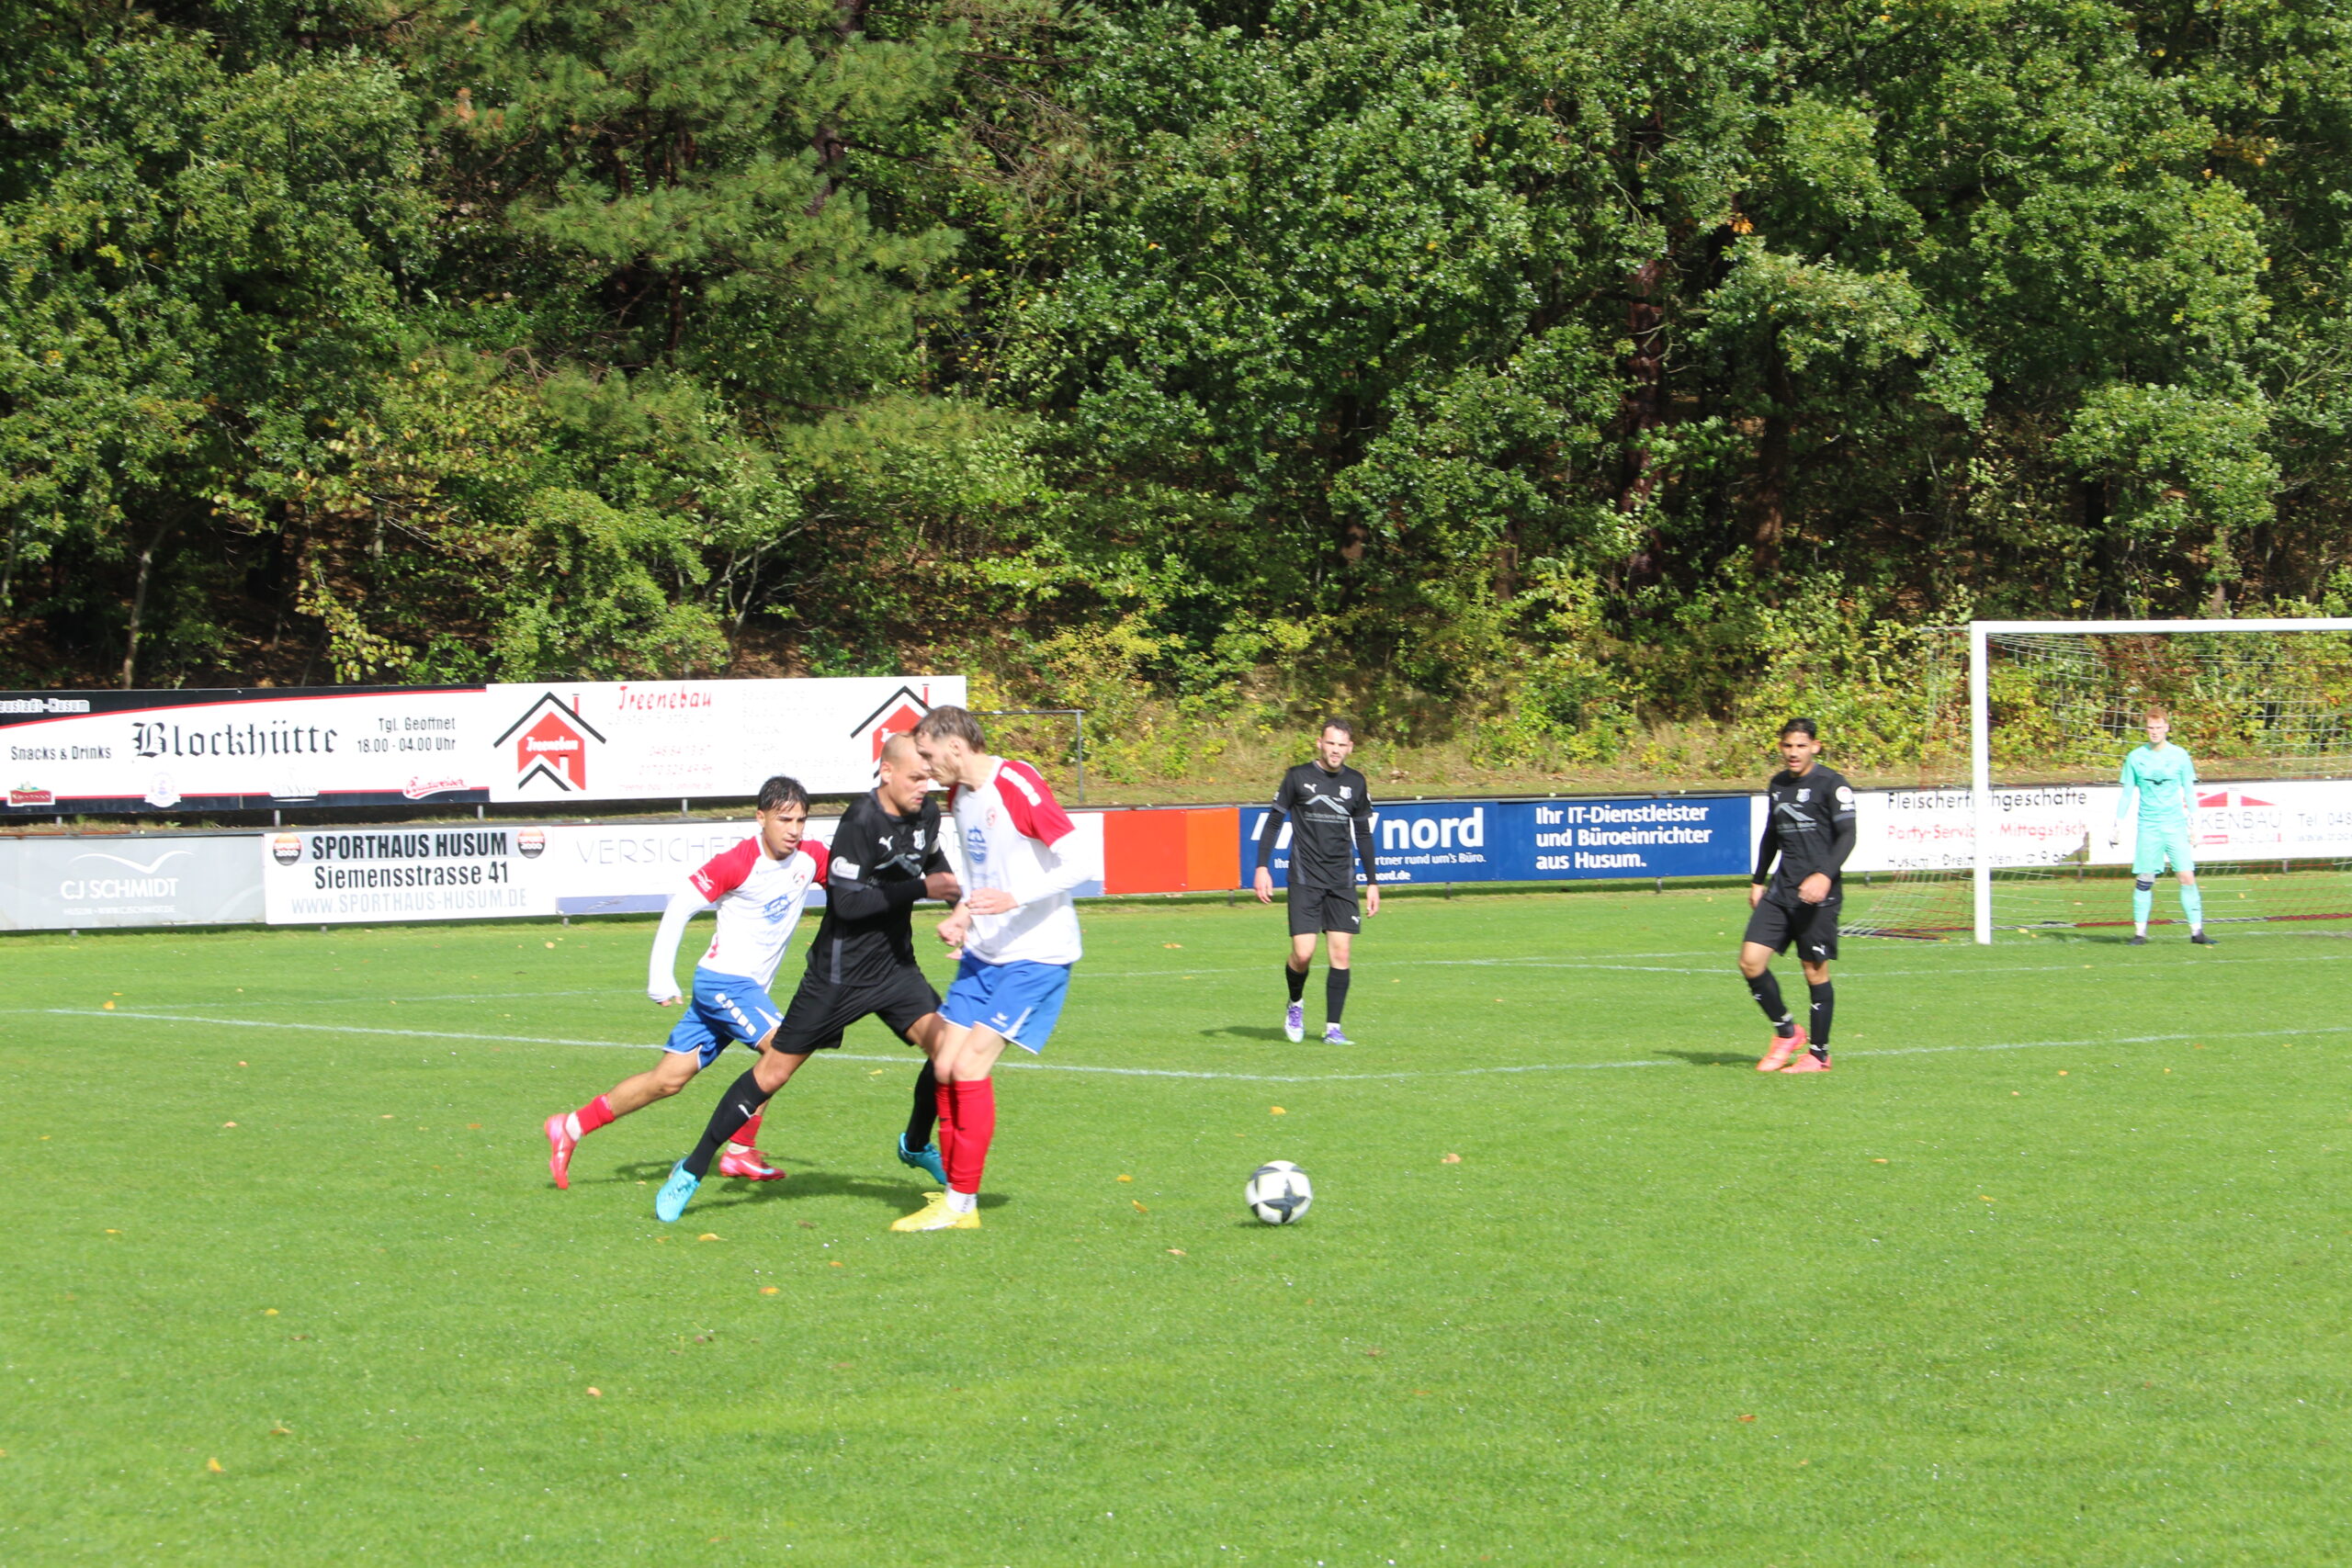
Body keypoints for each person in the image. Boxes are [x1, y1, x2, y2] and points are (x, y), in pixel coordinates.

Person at [651, 735, 963, 1223]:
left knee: (950, 1053)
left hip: (894, 968)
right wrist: (922, 888)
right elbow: (849, 904)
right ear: (886, 773)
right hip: (836, 975)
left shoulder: (925, 814)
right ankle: (691, 1169)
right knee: (773, 1072)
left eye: (928, 778)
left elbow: (934, 863)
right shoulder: (859, 821)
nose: (925, 787)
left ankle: (916, 1144)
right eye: (915, 778)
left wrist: (960, 909)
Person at [544, 775, 822, 1189]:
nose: (794, 830)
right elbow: (679, 908)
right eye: (784, 820)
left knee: (666, 1081)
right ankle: (740, 1150)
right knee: (784, 1049)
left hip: (738, 990)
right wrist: (660, 976)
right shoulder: (736, 862)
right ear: (760, 817)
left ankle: (570, 1126)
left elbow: (853, 876)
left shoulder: (810, 857)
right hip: (724, 983)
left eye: (800, 820)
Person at [891, 705, 1100, 1233]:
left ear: (955, 746)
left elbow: (1081, 861)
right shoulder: (959, 796)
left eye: (929, 755)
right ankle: (956, 1195)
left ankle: (961, 1203)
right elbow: (979, 871)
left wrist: (1013, 898)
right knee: (943, 1065)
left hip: (1037, 954)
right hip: (984, 955)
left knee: (969, 1068)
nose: (925, 767)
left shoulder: (1016, 783)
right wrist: (963, 915)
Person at [1252, 720, 1380, 1043]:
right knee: (1303, 954)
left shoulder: (1356, 782)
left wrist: (1372, 882)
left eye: (1342, 745)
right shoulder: (1297, 777)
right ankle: (1295, 1003)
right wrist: (1262, 867)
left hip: (1341, 879)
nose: (1336, 750)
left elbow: (1364, 834)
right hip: (1305, 877)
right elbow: (1273, 823)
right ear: (1319, 743)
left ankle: (1333, 1028)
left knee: (1342, 954)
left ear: (1350, 748)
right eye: (1331, 743)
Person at [1743, 719, 1856, 1074]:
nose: (1794, 753)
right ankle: (1787, 1032)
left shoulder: (1832, 784)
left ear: (1815, 747)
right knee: (1750, 962)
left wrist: (1823, 875)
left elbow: (1848, 835)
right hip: (1781, 891)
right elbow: (1771, 835)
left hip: (1818, 896)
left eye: (1801, 746)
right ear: (1781, 747)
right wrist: (1758, 881)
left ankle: (1819, 1055)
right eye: (1788, 746)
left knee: (1814, 972)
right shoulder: (1778, 784)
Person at [2110, 710, 2215, 946]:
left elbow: (2189, 790)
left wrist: (2196, 823)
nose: (2155, 732)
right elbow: (2127, 794)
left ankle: (2197, 932)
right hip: (2149, 826)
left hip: (2175, 826)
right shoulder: (2135, 757)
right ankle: (2140, 934)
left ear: (2167, 727)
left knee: (2186, 876)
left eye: (2159, 727)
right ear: (2145, 729)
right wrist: (2118, 824)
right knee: (2145, 878)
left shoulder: (2180, 755)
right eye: (2151, 727)